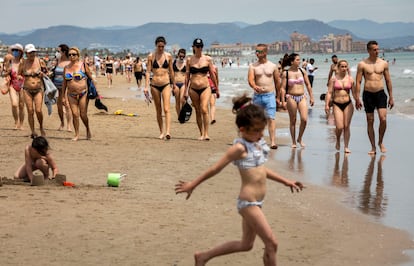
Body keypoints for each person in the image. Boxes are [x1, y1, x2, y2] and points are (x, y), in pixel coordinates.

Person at [175, 95, 304, 266]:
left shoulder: (257, 144)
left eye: (261, 130)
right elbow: (215, 168)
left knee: (246, 245)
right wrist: (193, 184)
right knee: (272, 243)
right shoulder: (239, 148)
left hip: (258, 202)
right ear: (243, 130)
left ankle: (203, 256)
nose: (260, 135)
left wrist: (286, 181)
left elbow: (261, 170)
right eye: (256, 131)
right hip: (248, 203)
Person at [355, 40, 394, 154]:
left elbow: (388, 80)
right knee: (370, 121)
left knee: (383, 119)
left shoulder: (383, 63)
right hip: (368, 94)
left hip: (380, 93)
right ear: (369, 51)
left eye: (378, 49)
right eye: (375, 49)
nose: (377, 51)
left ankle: (380, 141)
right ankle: (373, 147)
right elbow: (358, 82)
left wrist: (391, 96)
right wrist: (357, 98)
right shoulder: (362, 64)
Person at [184, 38, 218, 140]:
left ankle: (206, 133)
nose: (199, 48)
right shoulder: (189, 60)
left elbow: (212, 74)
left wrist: (217, 88)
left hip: (205, 87)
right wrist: (185, 90)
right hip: (193, 88)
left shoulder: (207, 59)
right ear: (193, 47)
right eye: (197, 46)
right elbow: (187, 76)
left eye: (201, 46)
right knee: (198, 110)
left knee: (204, 108)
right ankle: (201, 133)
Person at [248, 43, 280, 149]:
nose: (257, 53)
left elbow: (277, 82)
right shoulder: (253, 66)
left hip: (270, 95)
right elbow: (250, 80)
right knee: (257, 120)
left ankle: (273, 142)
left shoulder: (272, 66)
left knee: (271, 118)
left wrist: (278, 97)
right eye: (256, 51)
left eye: (259, 51)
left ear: (265, 52)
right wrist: (254, 86)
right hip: (258, 96)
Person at [280, 53, 315, 148]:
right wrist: (283, 101)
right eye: (297, 60)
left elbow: (308, 85)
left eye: (299, 59)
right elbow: (282, 88)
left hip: (302, 97)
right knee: (293, 120)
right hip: (291, 97)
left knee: (304, 119)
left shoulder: (302, 71)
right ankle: (293, 141)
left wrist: (311, 96)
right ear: (292, 62)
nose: (299, 61)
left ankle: (299, 138)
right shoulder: (286, 73)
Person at [144, 36, 175, 140]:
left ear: (165, 45)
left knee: (166, 109)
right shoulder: (151, 56)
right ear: (156, 45)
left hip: (166, 83)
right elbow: (148, 71)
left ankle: (168, 131)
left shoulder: (169, 56)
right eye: (159, 46)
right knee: (158, 109)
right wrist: (145, 86)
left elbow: (171, 71)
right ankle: (161, 132)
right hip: (154, 85)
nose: (161, 48)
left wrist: (174, 84)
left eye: (162, 46)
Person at [63, 47, 92, 141]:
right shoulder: (66, 68)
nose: (71, 56)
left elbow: (91, 78)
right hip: (71, 95)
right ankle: (77, 134)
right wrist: (63, 97)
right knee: (75, 114)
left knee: (83, 114)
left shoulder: (83, 65)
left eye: (74, 54)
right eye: (70, 54)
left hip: (83, 93)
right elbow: (64, 83)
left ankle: (87, 129)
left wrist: (95, 91)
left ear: (78, 55)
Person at [18, 44, 48, 138]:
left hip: (38, 89)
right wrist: (19, 78)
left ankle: (41, 127)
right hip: (27, 89)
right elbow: (19, 74)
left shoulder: (40, 61)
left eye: (34, 52)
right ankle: (33, 131)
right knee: (30, 111)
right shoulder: (23, 63)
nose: (32, 54)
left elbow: (47, 72)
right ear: (26, 53)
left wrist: (44, 74)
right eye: (30, 53)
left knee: (38, 110)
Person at [325, 60, 355, 153]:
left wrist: (358, 100)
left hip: (348, 103)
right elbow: (329, 93)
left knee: (346, 126)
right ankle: (338, 139)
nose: (344, 68)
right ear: (338, 68)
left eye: (345, 66)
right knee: (339, 127)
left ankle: (346, 146)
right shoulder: (333, 79)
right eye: (342, 66)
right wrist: (326, 105)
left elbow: (354, 93)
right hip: (336, 104)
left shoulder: (350, 79)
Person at [3, 43, 25, 130]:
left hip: (23, 86)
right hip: (12, 85)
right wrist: (7, 75)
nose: (15, 52)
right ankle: (16, 122)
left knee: (21, 105)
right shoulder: (10, 62)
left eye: (17, 50)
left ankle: (21, 124)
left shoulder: (23, 62)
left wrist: (22, 76)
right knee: (14, 104)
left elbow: (27, 73)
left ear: (21, 52)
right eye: (13, 50)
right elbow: (5, 73)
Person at [53, 44, 72, 131]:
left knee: (67, 105)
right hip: (57, 86)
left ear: (63, 52)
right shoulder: (58, 61)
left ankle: (69, 125)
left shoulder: (69, 63)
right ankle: (62, 123)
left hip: (66, 87)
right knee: (59, 106)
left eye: (58, 51)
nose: (57, 53)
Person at [172, 49, 187, 116]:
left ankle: (183, 112)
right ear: (178, 55)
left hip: (183, 83)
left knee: (182, 100)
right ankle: (179, 116)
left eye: (183, 56)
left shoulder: (186, 63)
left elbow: (189, 75)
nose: (181, 57)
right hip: (175, 84)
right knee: (177, 101)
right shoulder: (174, 62)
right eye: (180, 56)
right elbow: (171, 74)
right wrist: (172, 84)